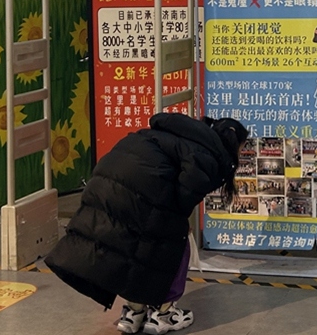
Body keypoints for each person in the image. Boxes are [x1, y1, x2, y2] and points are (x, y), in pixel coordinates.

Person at [46, 114, 249, 334]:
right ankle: (163, 313)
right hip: (137, 191)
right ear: (233, 143)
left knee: (132, 249)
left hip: (106, 183)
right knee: (174, 246)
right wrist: (180, 222)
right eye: (242, 148)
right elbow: (184, 196)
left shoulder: (177, 134)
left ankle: (134, 312)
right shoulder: (209, 155)